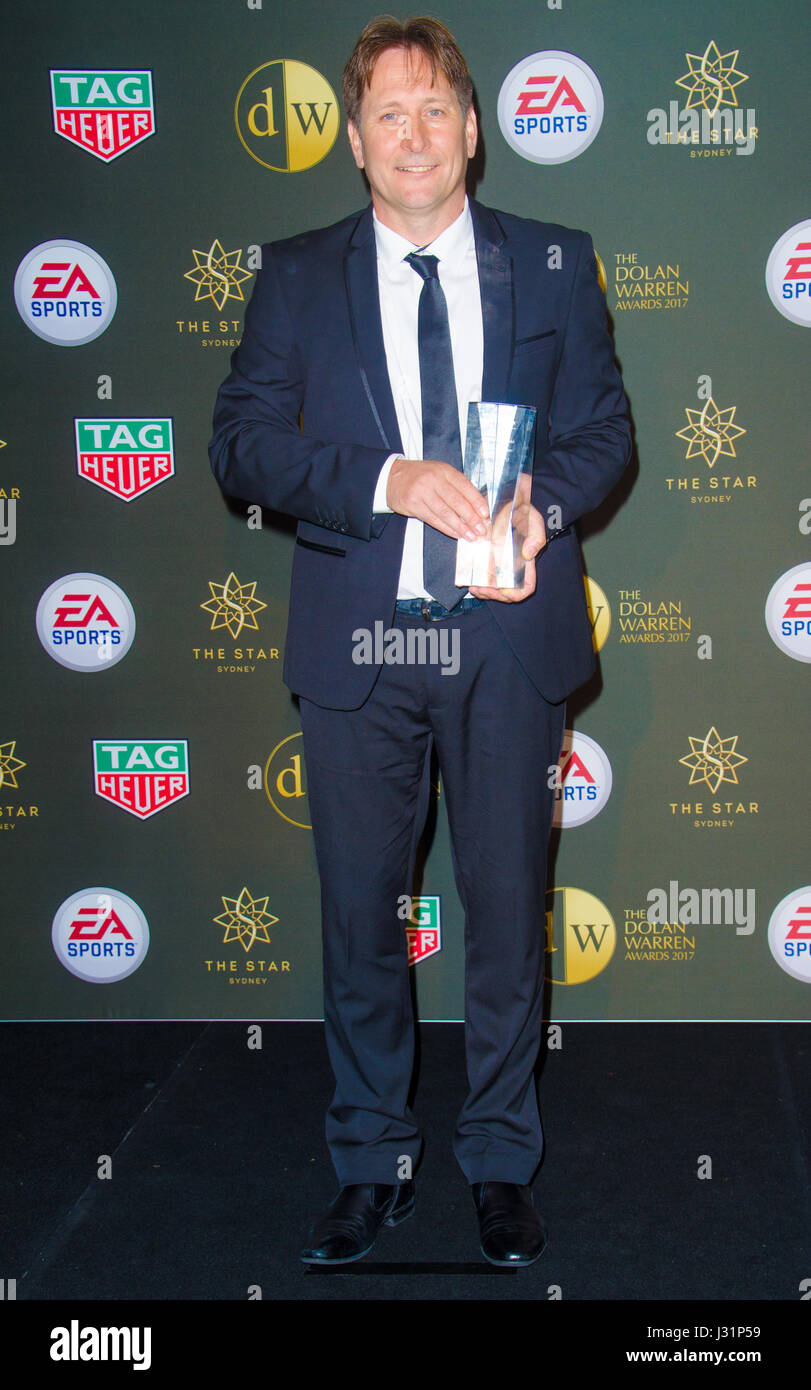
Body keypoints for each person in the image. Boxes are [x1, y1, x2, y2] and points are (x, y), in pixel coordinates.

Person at [209, 15, 631, 1266]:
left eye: (435, 109)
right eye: (387, 113)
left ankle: (499, 1161)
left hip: (507, 643)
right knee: (360, 920)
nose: (412, 134)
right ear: (352, 140)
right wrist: (388, 477)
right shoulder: (293, 273)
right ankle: (376, 1158)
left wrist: (535, 506)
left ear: (474, 131)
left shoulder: (554, 262)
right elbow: (239, 442)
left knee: (504, 917)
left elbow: (605, 433)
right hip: (361, 643)